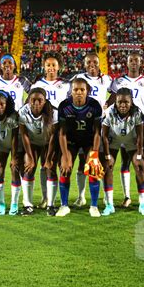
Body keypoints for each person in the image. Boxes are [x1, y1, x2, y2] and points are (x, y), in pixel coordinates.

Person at [108, 51, 144, 208]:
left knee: (143, 162)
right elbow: (112, 100)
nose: (134, 63)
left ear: (141, 63)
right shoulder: (119, 81)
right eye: (131, 60)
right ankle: (127, 196)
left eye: (137, 60)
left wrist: (142, 105)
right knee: (125, 162)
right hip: (123, 126)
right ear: (127, 63)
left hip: (142, 125)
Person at [71, 52, 113, 208]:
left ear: (99, 62)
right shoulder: (79, 79)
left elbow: (115, 92)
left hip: (100, 124)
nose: (92, 65)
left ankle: (103, 197)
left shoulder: (106, 79)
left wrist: (107, 104)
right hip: (82, 125)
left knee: (99, 160)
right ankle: (81, 196)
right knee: (83, 162)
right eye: (88, 62)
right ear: (84, 64)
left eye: (94, 62)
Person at [57, 78, 103, 217]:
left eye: (82, 90)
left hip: (89, 141)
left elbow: (97, 132)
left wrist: (94, 155)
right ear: (71, 91)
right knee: (65, 169)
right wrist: (65, 156)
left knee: (93, 169)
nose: (78, 92)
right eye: (75, 90)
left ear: (87, 91)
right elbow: (62, 133)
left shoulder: (94, 105)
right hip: (71, 141)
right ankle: (64, 206)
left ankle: (94, 206)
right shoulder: (64, 106)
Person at [31, 51, 70, 209]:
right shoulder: (37, 85)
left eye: (54, 65)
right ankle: (45, 197)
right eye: (48, 65)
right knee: (44, 164)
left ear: (59, 67)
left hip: (61, 130)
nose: (51, 68)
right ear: (44, 66)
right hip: (42, 130)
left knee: (59, 164)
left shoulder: (66, 85)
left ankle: (60, 199)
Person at [101, 88, 144, 216]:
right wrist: (107, 155)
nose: (122, 105)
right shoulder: (110, 111)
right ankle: (109, 204)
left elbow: (140, 135)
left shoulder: (137, 112)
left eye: (126, 102)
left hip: (130, 140)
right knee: (107, 166)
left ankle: (142, 204)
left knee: (139, 166)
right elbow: (104, 135)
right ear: (115, 102)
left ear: (131, 102)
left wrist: (138, 155)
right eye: (119, 102)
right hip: (113, 140)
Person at [19, 88, 59, 216]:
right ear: (28, 100)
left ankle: (50, 205)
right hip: (32, 143)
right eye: (33, 100)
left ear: (45, 101)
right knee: (28, 168)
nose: (36, 103)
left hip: (48, 144)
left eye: (39, 100)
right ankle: (27, 205)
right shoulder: (23, 112)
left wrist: (48, 159)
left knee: (50, 169)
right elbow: (24, 134)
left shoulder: (53, 112)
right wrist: (30, 156)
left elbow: (53, 137)